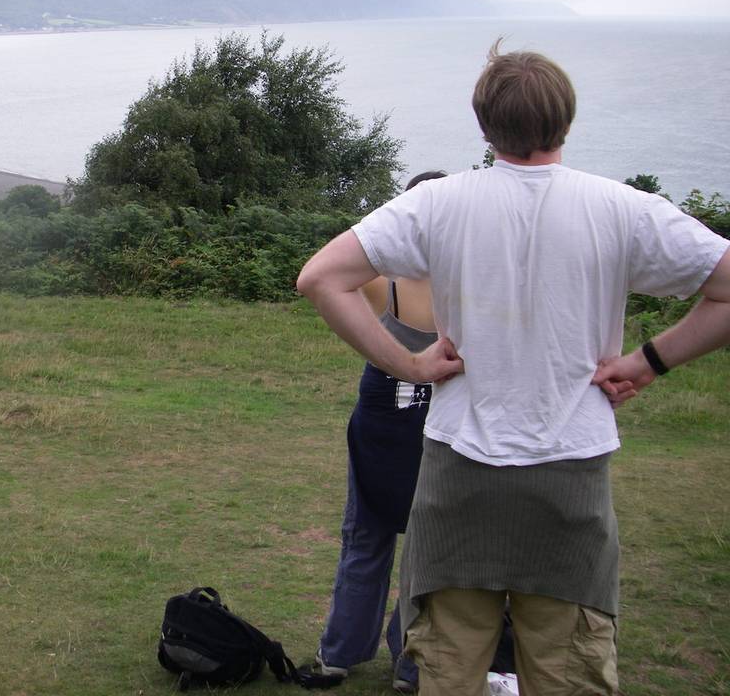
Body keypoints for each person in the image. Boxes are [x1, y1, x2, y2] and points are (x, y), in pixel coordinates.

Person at [296, 40, 730, 696]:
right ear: (567, 119)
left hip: (457, 479)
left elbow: (321, 278)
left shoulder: (437, 204)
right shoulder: (621, 209)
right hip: (569, 480)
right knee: (567, 674)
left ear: (484, 125)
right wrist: (647, 361)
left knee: (447, 674)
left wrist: (409, 365)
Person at [313, 171, 444, 692]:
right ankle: (407, 664)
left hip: (392, 417)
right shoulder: (471, 281)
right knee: (426, 548)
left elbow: (333, 264)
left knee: (367, 537)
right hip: (433, 422)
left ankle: (342, 656)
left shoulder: (378, 277)